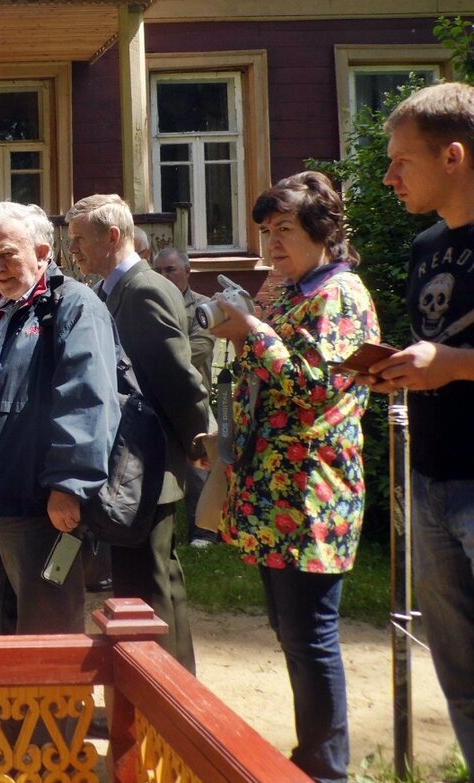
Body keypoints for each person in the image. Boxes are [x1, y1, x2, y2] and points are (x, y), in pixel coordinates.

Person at [208, 171, 379, 783]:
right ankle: (312, 756)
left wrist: (252, 330)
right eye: (264, 231)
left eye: (284, 229)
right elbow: (262, 374)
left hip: (313, 491)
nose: (271, 244)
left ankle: (326, 767)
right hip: (271, 486)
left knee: (310, 633)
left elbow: (315, 388)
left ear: (322, 232)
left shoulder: (342, 294)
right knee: (288, 629)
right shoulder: (282, 289)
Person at [370, 81, 474, 779]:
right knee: (461, 674)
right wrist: (400, 370)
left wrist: (455, 365)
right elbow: (434, 345)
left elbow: (452, 356)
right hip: (432, 479)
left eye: (402, 160)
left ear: (455, 156)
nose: (389, 175)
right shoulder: (426, 246)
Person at [0, 201, 119, 635]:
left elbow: (88, 400)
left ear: (43, 252)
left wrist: (69, 486)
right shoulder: (6, 311)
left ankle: (57, 705)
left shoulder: (74, 306)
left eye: (8, 253)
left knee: (45, 622)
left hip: (37, 496)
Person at [65, 194, 209, 672]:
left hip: (149, 465)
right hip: (129, 465)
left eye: (80, 240)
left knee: (151, 587)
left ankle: (170, 701)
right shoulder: (110, 291)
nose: (73, 252)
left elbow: (175, 378)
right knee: (138, 584)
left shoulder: (144, 289)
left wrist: (200, 441)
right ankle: (157, 696)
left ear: (112, 236)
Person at [153, 245, 219, 548]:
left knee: (199, 468)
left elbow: (200, 348)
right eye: (158, 271)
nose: (164, 276)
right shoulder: (150, 304)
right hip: (156, 398)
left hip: (194, 397)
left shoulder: (204, 307)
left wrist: (156, 360)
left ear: (187, 272)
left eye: (170, 270)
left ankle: (203, 530)